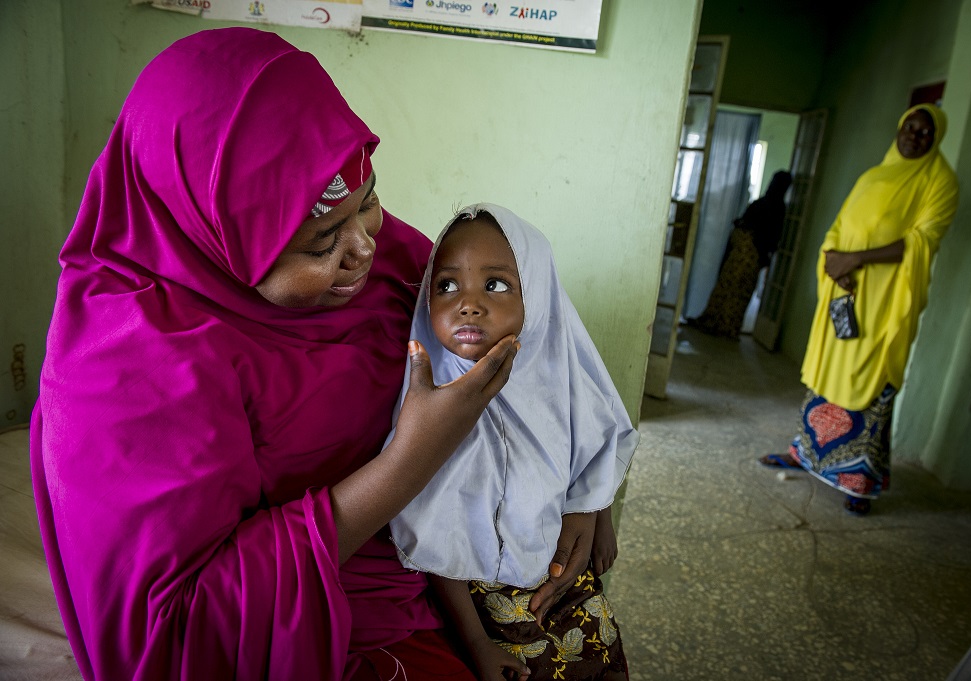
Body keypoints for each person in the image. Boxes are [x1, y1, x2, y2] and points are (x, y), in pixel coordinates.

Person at [30, 28, 595, 680]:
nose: (365, 248)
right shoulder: (124, 369)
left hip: (443, 563)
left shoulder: (383, 259)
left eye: (371, 199)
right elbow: (177, 640)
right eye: (324, 238)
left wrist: (587, 479)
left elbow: (530, 334)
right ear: (217, 235)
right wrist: (404, 466)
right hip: (324, 625)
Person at [387, 205, 638, 680]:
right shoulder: (428, 412)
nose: (468, 303)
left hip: (572, 591)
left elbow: (595, 444)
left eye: (496, 285)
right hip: (487, 612)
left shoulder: (560, 378)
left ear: (537, 295)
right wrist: (477, 642)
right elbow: (438, 535)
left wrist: (595, 511)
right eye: (446, 285)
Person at [759, 103, 959, 516]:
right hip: (845, 294)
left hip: (886, 304)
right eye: (909, 128)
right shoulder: (873, 175)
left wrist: (858, 259)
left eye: (925, 133)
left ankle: (858, 481)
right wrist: (834, 261)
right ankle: (804, 454)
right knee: (827, 377)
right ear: (899, 128)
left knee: (872, 380)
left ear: (935, 138)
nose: (914, 137)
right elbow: (838, 226)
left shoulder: (940, 181)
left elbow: (922, 241)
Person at [689, 170, 793, 339]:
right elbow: (769, 237)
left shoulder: (767, 205)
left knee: (733, 288)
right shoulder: (773, 207)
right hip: (747, 254)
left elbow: (763, 233)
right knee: (733, 289)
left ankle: (720, 324)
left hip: (746, 254)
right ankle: (723, 325)